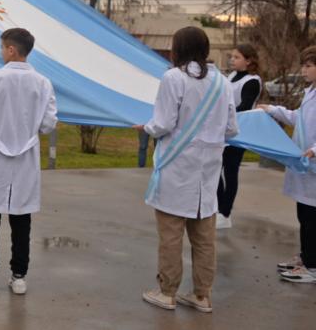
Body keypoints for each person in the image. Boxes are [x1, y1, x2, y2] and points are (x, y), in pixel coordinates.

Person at [135, 27, 238, 313]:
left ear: (178, 47)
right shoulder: (223, 81)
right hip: (208, 171)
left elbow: (163, 123)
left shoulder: (174, 77)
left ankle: (167, 291)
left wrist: (146, 128)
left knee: (171, 235)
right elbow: (231, 128)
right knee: (205, 238)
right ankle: (202, 295)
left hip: (177, 166)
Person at [0, 28, 57, 296]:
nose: (1, 51)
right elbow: (49, 123)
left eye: (2, 47)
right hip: (26, 157)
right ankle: (19, 277)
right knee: (21, 219)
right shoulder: (43, 83)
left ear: (11, 50)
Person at [259, 45, 316, 284]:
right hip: (304, 165)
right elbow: (298, 118)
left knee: (313, 218)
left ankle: (313, 267)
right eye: (303, 65)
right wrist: (273, 110)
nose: (303, 70)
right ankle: (306, 257)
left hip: (312, 163)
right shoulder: (310, 92)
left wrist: (314, 150)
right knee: (304, 214)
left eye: (308, 65)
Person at [216, 45, 262, 229]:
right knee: (214, 169)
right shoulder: (231, 77)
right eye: (232, 57)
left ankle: (225, 213)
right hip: (223, 130)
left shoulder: (252, 80)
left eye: (237, 57)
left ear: (248, 60)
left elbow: (245, 106)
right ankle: (218, 207)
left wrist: (224, 114)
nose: (232, 60)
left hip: (240, 132)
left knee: (230, 171)